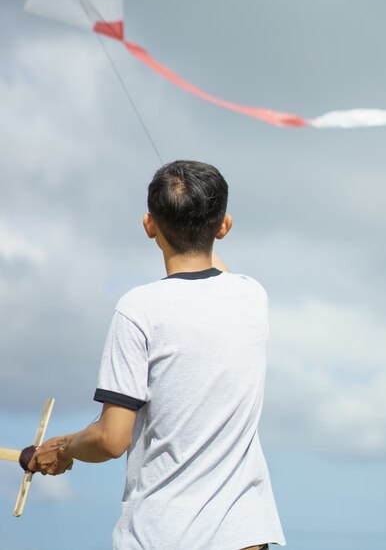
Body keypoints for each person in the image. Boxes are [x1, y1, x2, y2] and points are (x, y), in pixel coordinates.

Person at [29, 160, 286, 550]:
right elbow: (214, 273)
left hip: (163, 537)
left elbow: (112, 439)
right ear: (224, 226)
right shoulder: (252, 295)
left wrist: (64, 448)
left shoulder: (138, 310)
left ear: (149, 225)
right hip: (245, 537)